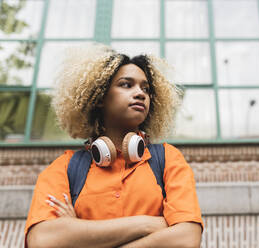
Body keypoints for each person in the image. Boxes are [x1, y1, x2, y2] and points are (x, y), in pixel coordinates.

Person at [25, 43, 203, 248]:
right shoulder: (65, 168)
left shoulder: (168, 158)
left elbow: (187, 239)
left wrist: (79, 231)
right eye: (126, 84)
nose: (140, 93)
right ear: (100, 97)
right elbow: (42, 240)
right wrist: (149, 224)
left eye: (145, 88)